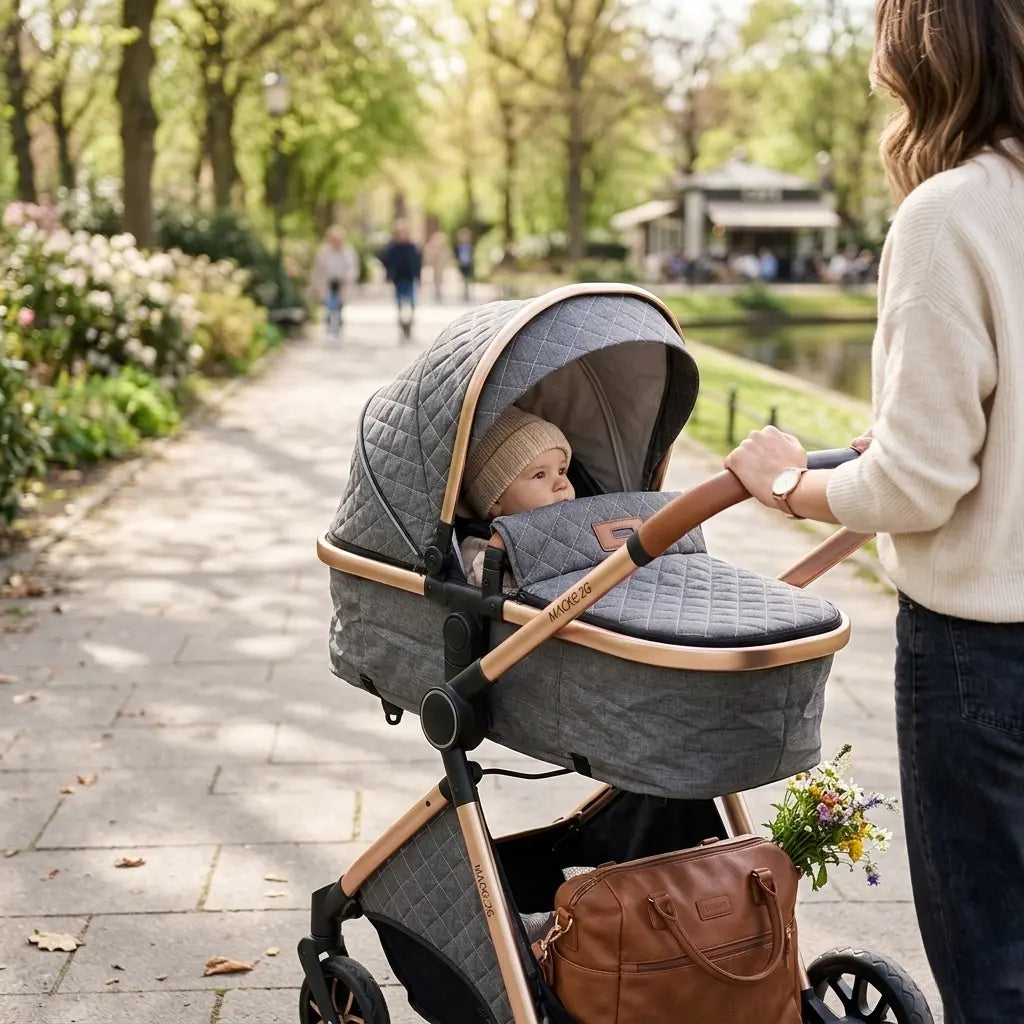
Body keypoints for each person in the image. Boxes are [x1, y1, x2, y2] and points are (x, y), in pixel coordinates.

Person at [724, 2, 1024, 1019]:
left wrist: (783, 483)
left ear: (925, 56)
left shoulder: (952, 214)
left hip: (986, 661)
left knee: (997, 968)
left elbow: (916, 488)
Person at [460, 407, 574, 586]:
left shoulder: (581, 528)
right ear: (496, 501)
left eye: (562, 470)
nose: (561, 483)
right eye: (540, 475)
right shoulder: (486, 555)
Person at [309, 225, 359, 342]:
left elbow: (352, 268)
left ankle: (337, 329)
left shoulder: (348, 251)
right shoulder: (323, 252)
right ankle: (330, 330)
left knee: (338, 306)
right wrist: (313, 284)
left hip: (342, 283)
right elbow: (318, 269)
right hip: (327, 283)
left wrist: (347, 277)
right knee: (330, 306)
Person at [378, 219, 422, 342]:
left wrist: (419, 277)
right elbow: (384, 261)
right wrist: (387, 276)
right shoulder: (391, 247)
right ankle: (402, 327)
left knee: (412, 304)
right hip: (397, 280)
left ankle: (409, 326)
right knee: (399, 306)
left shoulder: (412, 247)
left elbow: (417, 263)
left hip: (409, 279)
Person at [422, 230, 450, 302]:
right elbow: (427, 257)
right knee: (434, 280)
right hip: (433, 267)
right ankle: (436, 293)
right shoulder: (430, 247)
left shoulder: (444, 248)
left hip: (440, 267)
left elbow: (447, 256)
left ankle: (438, 293)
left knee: (439, 280)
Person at [455, 227, 474, 301]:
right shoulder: (458, 246)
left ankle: (467, 294)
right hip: (461, 265)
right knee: (462, 279)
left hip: (468, 264)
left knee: (468, 280)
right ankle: (462, 294)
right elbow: (456, 255)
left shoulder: (471, 246)